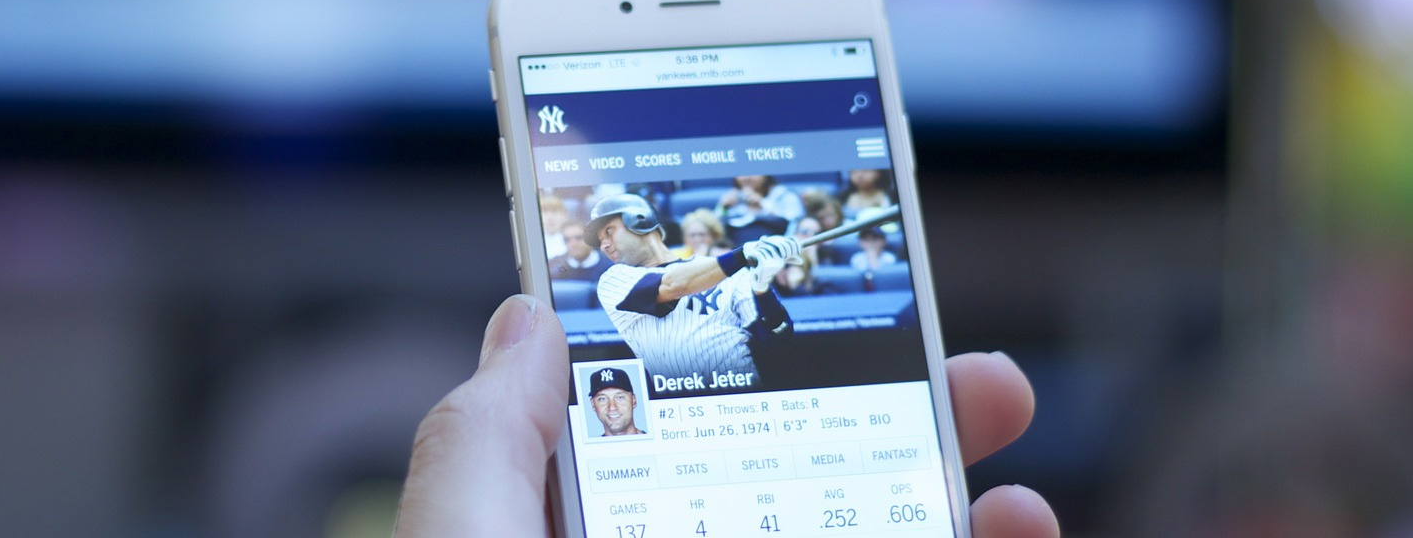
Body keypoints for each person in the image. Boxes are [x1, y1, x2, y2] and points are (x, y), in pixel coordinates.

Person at [394, 295, 1061, 537]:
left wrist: (762, 290)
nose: (651, 237)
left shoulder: (723, 290)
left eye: (656, 228)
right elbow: (672, 283)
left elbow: (781, 336)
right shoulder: (618, 285)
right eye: (639, 229)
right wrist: (739, 261)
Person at [584, 193, 800, 387]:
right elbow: (674, 285)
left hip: (740, 399)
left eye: (609, 232)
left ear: (640, 220)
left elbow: (777, 342)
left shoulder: (728, 271)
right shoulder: (614, 280)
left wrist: (762, 289)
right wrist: (741, 255)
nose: (604, 245)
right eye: (600, 241)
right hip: (680, 409)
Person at [718, 175, 805, 228]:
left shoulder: (785, 195)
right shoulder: (729, 197)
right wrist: (723, 209)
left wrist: (763, 204)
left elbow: (794, 225)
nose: (747, 177)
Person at [586, 367, 644, 437]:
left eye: (620, 397)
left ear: (633, 400)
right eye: (602, 399)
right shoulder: (588, 447)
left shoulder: (657, 442)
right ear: (593, 404)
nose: (612, 407)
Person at [547, 222, 612, 282]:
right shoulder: (556, 271)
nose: (573, 244)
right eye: (567, 240)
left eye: (578, 238)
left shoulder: (610, 267)